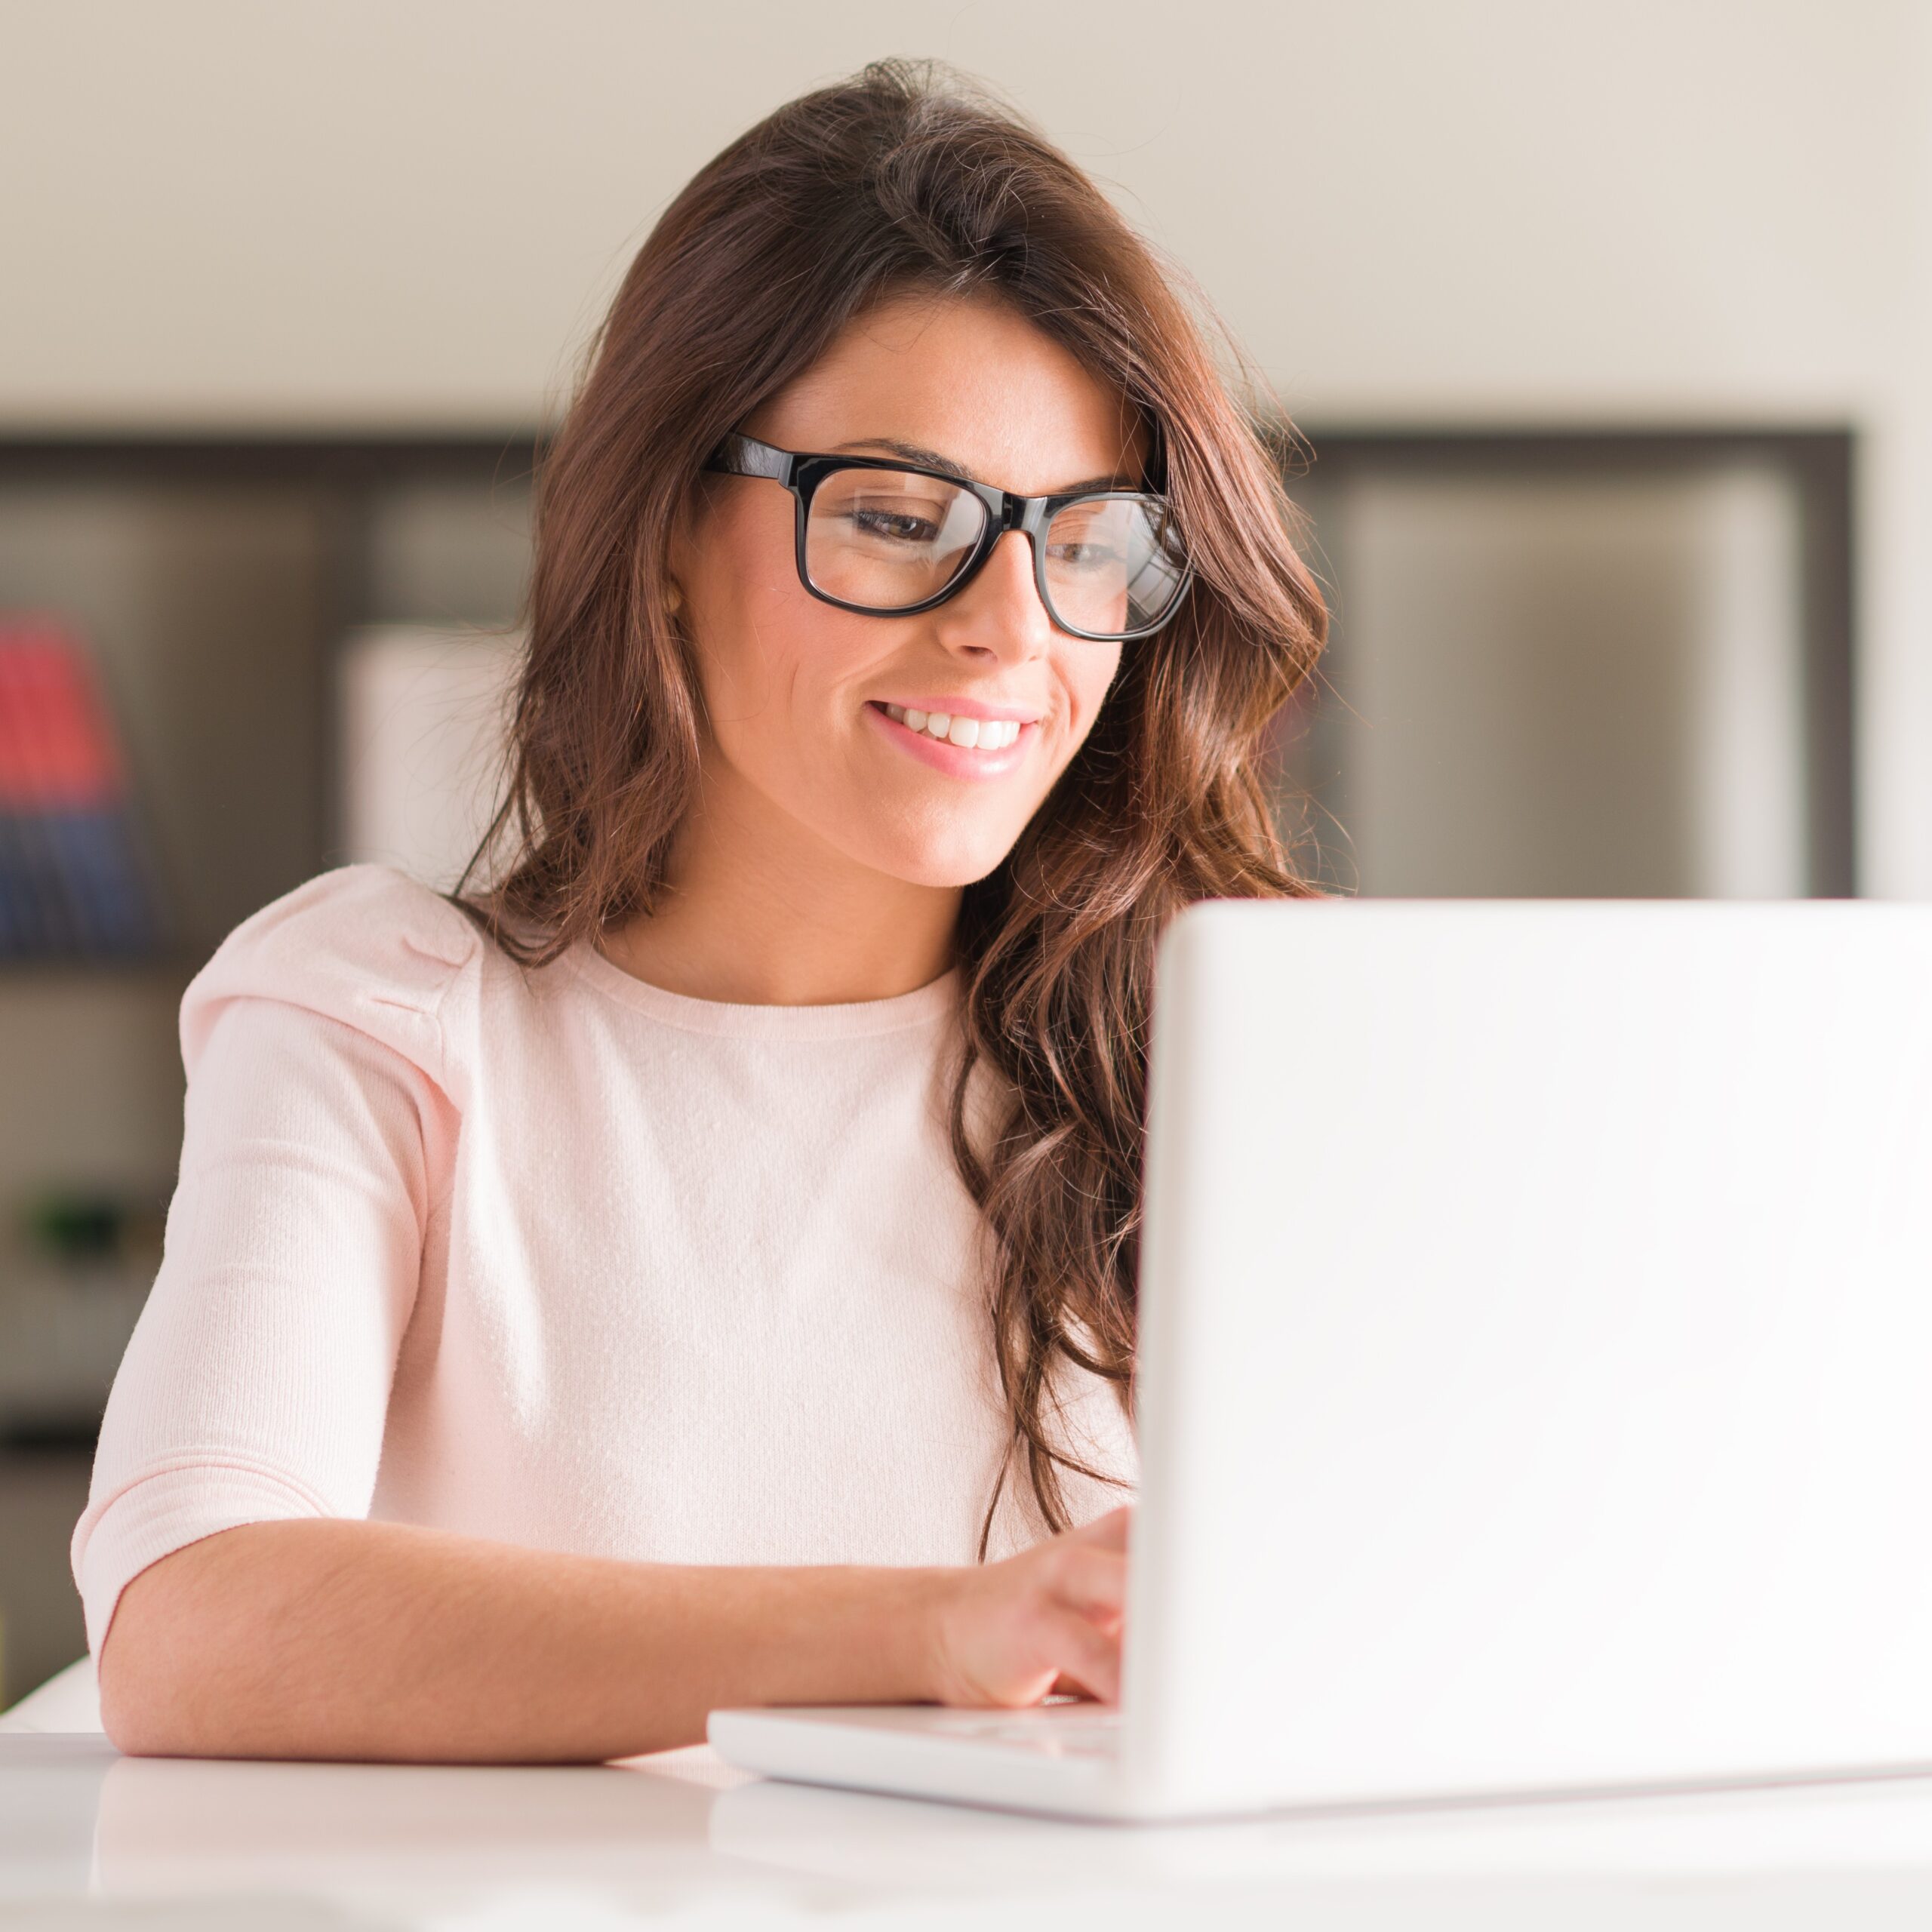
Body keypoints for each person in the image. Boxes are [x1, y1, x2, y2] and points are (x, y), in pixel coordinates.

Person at [72, 58, 1325, 1763]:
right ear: (663, 523)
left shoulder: (1224, 1055)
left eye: (1092, 543)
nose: (1011, 627)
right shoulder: (383, 1008)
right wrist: (931, 1629)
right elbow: (190, 1615)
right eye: (898, 517)